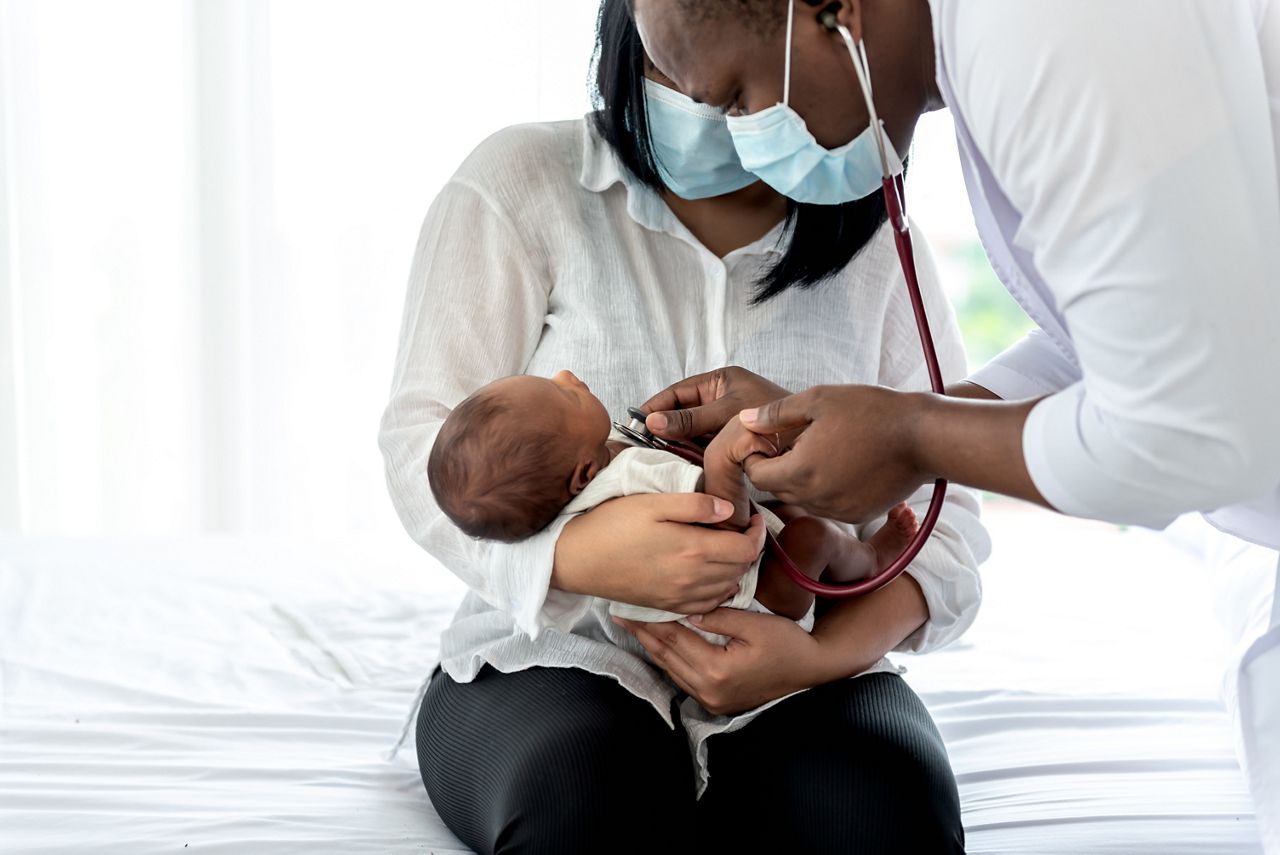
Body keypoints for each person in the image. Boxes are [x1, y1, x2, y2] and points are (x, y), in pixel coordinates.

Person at [625, 0, 1280, 847]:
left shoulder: (1051, 30)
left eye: (740, 99)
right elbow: (1126, 343)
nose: (749, 140)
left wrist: (913, 437)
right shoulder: (998, 42)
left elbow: (1185, 432)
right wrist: (896, 427)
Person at [377, 0, 989, 850]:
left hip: (801, 662)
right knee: (585, 805)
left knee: (886, 816)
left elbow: (947, 531)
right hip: (556, 656)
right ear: (634, 40)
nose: (709, 101)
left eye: (736, 86)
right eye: (682, 75)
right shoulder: (520, 182)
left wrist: (818, 659)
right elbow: (422, 450)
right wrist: (583, 556)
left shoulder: (883, 244)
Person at [425, 368, 920, 628]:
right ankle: (874, 557)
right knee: (811, 535)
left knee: (785, 513)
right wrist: (722, 459)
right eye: (566, 397)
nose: (568, 376)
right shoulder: (632, 473)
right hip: (751, 603)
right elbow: (722, 525)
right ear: (582, 473)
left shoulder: (575, 496)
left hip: (710, 607)